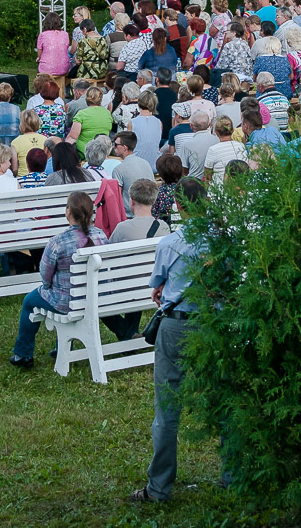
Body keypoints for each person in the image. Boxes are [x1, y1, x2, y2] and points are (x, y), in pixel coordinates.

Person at [131, 179, 206, 503]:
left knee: (167, 408)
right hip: (211, 323)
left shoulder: (170, 243)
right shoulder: (222, 240)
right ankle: (231, 475)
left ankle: (159, 487)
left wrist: (165, 291)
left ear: (178, 206)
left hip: (176, 325)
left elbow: (157, 287)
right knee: (224, 401)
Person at [10, 191, 119, 366]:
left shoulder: (58, 242)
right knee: (79, 296)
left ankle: (23, 353)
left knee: (30, 301)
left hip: (66, 302)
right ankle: (125, 333)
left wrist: (48, 287)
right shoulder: (100, 236)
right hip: (95, 296)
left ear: (68, 211)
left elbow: (45, 276)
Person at [201, 117, 246, 185]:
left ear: (216, 132)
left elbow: (207, 176)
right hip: (239, 186)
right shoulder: (241, 146)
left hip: (219, 189)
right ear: (233, 130)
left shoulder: (213, 150)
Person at [36, 11, 71, 82]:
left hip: (47, 69)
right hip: (64, 68)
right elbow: (64, 49)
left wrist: (39, 58)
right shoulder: (65, 34)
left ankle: (42, 91)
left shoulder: (43, 35)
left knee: (40, 67)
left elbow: (40, 54)